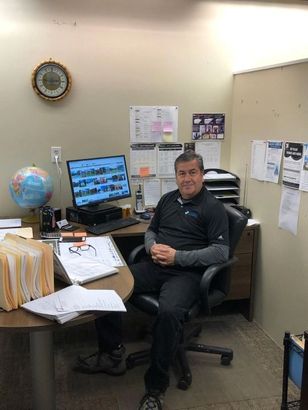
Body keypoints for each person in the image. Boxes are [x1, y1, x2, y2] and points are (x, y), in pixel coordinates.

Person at [75, 150, 230, 410]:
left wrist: (177, 257)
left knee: (169, 312)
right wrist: (151, 248)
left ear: (202, 174)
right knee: (112, 281)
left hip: (187, 274)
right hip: (155, 265)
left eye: (193, 172)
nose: (187, 178)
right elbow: (152, 230)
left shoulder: (213, 208)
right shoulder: (168, 200)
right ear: (176, 176)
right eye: (182, 173)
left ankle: (155, 389)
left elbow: (220, 252)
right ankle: (111, 353)